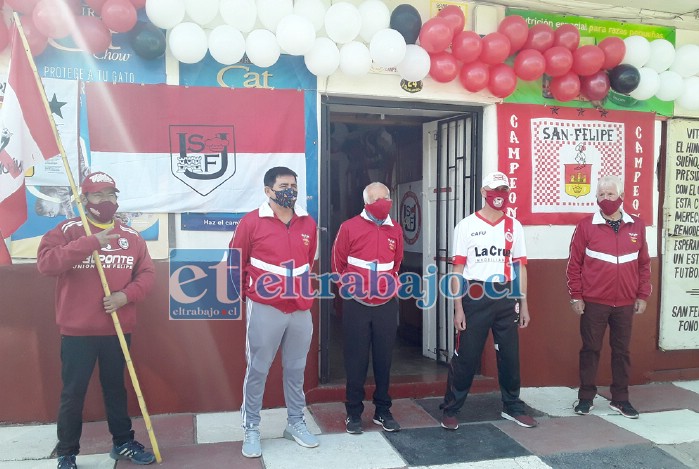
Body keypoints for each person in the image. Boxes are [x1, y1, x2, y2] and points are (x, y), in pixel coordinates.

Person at [37, 172, 155, 469]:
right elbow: (46, 264)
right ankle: (66, 452)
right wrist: (90, 242)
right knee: (73, 392)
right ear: (84, 199)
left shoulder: (132, 236)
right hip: (77, 333)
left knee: (116, 388)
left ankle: (123, 442)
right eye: (98, 194)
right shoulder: (68, 230)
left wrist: (125, 296)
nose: (105, 200)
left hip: (117, 328)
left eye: (110, 194)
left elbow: (147, 275)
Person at [229, 167, 319, 458]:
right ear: (268, 191)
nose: (289, 190)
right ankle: (251, 427)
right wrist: (248, 297)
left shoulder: (308, 222)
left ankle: (295, 423)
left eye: (293, 185)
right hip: (265, 307)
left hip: (300, 308)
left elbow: (308, 262)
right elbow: (235, 261)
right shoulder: (251, 222)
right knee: (258, 369)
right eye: (283, 185)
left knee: (295, 370)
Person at [440, 171, 537, 430]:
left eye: (504, 190)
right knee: (467, 356)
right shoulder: (467, 225)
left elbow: (520, 268)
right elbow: (457, 270)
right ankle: (451, 408)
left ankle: (512, 406)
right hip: (475, 295)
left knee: (509, 355)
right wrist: (458, 307)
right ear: (484, 193)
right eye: (495, 189)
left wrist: (523, 303)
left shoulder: (514, 226)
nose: (500, 195)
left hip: (506, 297)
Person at [566, 175, 651, 419]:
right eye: (601, 195)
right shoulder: (585, 226)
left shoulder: (636, 226)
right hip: (594, 302)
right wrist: (576, 296)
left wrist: (643, 294)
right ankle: (585, 398)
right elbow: (574, 265)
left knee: (622, 351)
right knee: (590, 349)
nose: (606, 199)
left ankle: (621, 400)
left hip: (625, 303)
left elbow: (644, 265)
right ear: (596, 198)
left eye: (611, 194)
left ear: (621, 197)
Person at [331, 182, 404, 435]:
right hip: (357, 306)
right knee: (356, 360)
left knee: (384, 360)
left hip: (385, 305)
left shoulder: (395, 229)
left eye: (386, 197)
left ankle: (383, 410)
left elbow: (396, 264)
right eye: (377, 199)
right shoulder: (349, 227)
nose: (383, 202)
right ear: (366, 202)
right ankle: (353, 413)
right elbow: (338, 264)